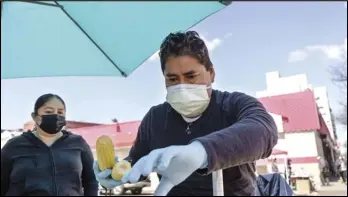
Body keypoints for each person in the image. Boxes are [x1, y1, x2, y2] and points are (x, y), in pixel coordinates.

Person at [94, 31, 278, 196]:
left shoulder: (234, 105)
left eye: (191, 76)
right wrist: (116, 172)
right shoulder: (155, 118)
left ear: (211, 73)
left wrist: (201, 151)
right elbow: (138, 162)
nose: (182, 86)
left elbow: (264, 130)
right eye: (172, 79)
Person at [1, 94, 98, 196]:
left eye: (60, 112)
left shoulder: (78, 143)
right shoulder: (14, 146)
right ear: (35, 116)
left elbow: (91, 181)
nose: (56, 116)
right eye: (48, 112)